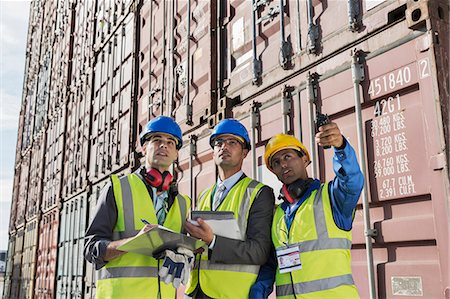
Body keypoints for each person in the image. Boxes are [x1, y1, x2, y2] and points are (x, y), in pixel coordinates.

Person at [250, 122, 364, 298]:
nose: (283, 165)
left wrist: (340, 148)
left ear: (305, 159)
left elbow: (352, 181)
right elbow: (271, 264)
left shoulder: (331, 198)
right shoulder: (278, 215)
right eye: (277, 162)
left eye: (288, 156)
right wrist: (257, 293)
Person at [84, 116, 192, 298]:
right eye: (157, 140)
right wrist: (134, 242)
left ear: (176, 154)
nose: (164, 145)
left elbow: (181, 252)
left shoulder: (183, 203)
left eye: (170, 142)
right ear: (144, 148)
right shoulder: (118, 188)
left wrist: (186, 255)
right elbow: (91, 248)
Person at [184, 118, 275, 298]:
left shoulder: (258, 193)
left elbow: (259, 252)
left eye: (232, 142)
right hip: (195, 290)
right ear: (213, 152)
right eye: (219, 143)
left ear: (245, 152)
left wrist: (213, 241)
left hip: (230, 294)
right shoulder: (204, 195)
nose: (224, 147)